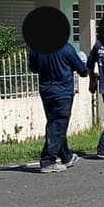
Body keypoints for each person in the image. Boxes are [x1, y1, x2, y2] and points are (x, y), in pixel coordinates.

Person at [28, 41, 89, 173]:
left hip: (46, 91)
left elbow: (33, 68)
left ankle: (66, 156)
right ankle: (48, 160)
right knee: (58, 124)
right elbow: (83, 71)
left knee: (55, 123)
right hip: (63, 92)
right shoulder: (66, 48)